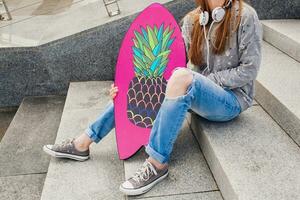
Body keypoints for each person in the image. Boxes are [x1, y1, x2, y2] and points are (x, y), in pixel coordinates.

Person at [43, 0, 262, 196]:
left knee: (182, 77)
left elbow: (249, 70)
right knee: (154, 82)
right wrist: (123, 90)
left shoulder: (246, 16)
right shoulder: (193, 20)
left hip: (230, 100)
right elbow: (167, 66)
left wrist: (200, 81)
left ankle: (157, 164)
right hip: (196, 91)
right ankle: (83, 143)